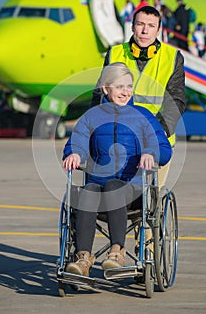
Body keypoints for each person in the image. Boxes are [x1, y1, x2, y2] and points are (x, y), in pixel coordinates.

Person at [62, 62, 172, 277]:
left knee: (113, 186)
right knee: (87, 191)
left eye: (129, 86)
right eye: (119, 87)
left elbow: (163, 146)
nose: (126, 92)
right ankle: (83, 258)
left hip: (132, 190)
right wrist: (75, 153)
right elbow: (77, 141)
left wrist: (151, 153)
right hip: (97, 187)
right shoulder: (92, 116)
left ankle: (117, 252)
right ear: (105, 88)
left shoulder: (142, 115)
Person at [91, 5, 186, 188]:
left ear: (158, 30)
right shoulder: (115, 53)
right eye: (140, 24)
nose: (144, 30)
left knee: (150, 200)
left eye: (151, 26)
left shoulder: (172, 57)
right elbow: (99, 94)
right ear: (132, 26)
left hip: (156, 138)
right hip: (117, 135)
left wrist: (158, 132)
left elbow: (176, 100)